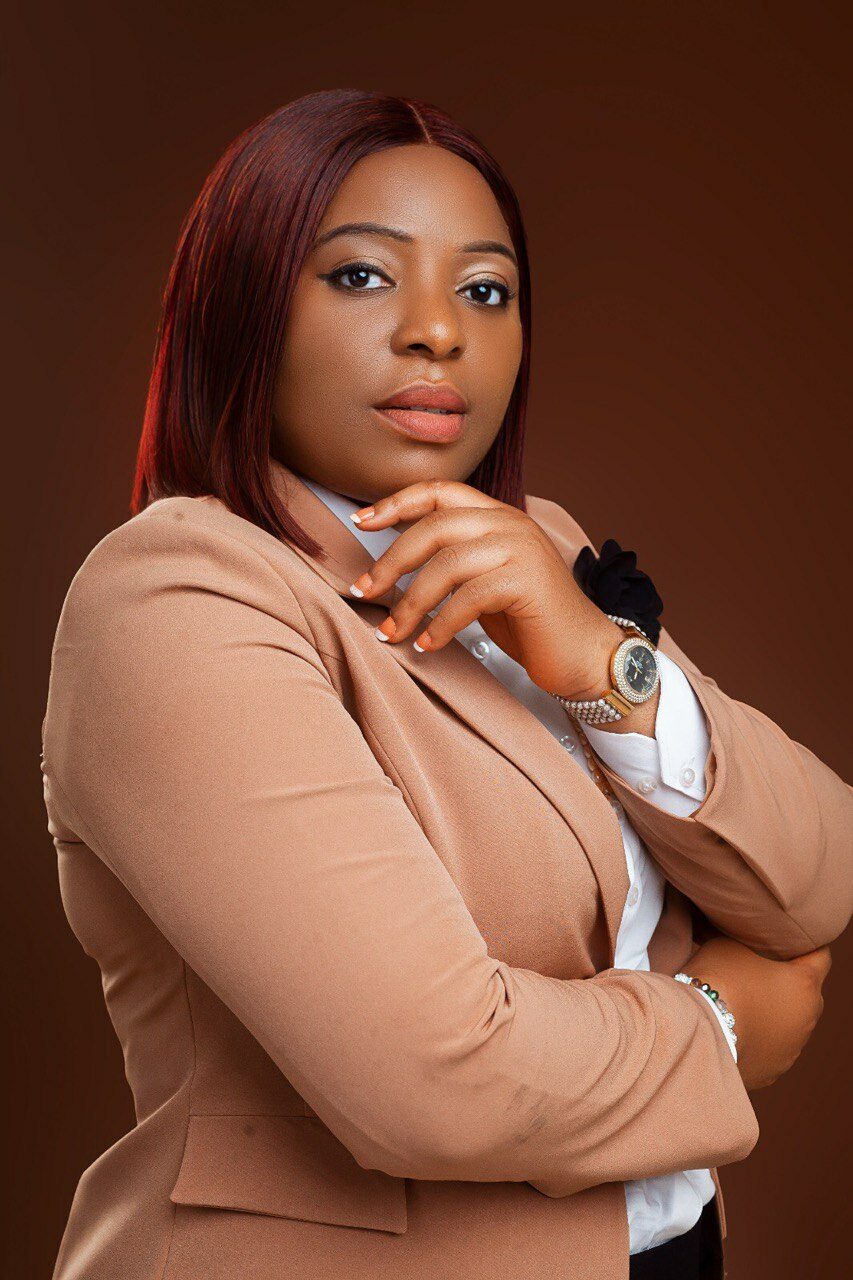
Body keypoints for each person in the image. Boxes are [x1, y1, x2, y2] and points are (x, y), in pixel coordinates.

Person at [40, 89, 850, 1280]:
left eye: (484, 289)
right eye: (362, 275)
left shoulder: (535, 549)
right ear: (243, 304)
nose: (437, 331)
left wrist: (599, 664)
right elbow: (430, 1076)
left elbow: (818, 876)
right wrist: (718, 1028)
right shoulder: (174, 596)